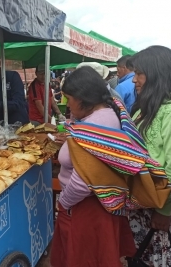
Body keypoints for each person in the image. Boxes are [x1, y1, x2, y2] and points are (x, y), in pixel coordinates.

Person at [50, 66, 139, 267]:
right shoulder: (106, 113)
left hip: (86, 208)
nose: (68, 104)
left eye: (69, 98)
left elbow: (83, 182)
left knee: (84, 259)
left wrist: (63, 202)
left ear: (82, 99)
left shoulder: (96, 125)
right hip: (94, 205)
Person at [128, 46, 171, 266]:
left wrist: (164, 210)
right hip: (142, 204)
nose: (134, 80)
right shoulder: (145, 108)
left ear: (156, 74)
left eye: (139, 73)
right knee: (142, 257)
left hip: (160, 207)